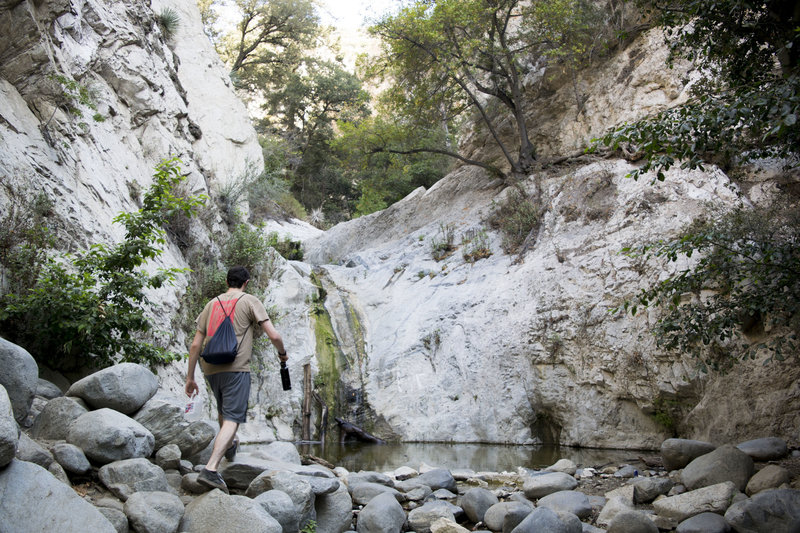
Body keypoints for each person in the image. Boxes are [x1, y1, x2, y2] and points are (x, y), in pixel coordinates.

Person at [185, 265, 288, 493]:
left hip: (210, 368)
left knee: (224, 411)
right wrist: (282, 353)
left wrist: (190, 377)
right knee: (232, 418)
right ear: (246, 283)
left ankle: (230, 447)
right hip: (236, 367)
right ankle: (211, 469)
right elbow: (274, 335)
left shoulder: (211, 304)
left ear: (226, 282)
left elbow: (195, 344)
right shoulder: (250, 300)